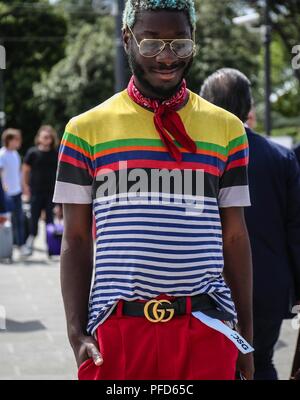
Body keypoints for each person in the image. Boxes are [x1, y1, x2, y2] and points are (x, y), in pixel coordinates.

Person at [53, 0, 254, 380]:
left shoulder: (227, 130)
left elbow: (235, 236)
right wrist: (76, 332)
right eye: (151, 43)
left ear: (194, 40)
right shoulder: (84, 129)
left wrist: (246, 332)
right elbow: (76, 238)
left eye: (180, 43)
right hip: (117, 331)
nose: (167, 57)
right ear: (127, 39)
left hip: (207, 327)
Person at [200, 68, 300, 380]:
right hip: (269, 283)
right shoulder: (280, 157)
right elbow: (296, 227)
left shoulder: (197, 155)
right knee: (263, 362)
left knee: (213, 367)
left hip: (208, 285)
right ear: (249, 107)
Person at [22, 125, 59, 255]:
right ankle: (29, 245)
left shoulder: (56, 153)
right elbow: (25, 170)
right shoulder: (32, 153)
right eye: (44, 137)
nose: (46, 139)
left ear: (52, 139)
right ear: (39, 138)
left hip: (51, 192)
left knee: (50, 220)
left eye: (49, 137)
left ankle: (51, 247)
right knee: (34, 218)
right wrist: (25, 187)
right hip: (35, 192)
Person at [0, 128, 26, 254]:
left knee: (19, 220)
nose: (19, 142)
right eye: (16, 140)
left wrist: (23, 187)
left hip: (17, 192)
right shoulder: (2, 154)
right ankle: (6, 247)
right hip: (6, 194)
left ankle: (21, 246)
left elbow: (18, 173)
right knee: (6, 222)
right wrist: (4, 187)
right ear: (9, 140)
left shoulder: (16, 154)